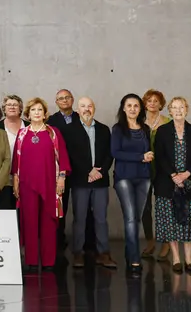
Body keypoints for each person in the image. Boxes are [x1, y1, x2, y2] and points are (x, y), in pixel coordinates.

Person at [11, 97, 71, 271]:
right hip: (26, 184)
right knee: (29, 221)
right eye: (33, 110)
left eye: (40, 110)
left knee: (48, 223)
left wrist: (61, 178)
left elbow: (63, 158)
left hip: (49, 184)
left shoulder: (53, 133)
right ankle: (30, 260)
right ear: (28, 114)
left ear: (45, 114)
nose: (36, 113)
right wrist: (15, 181)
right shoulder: (22, 134)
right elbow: (16, 161)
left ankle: (48, 261)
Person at [154, 97, 191, 274]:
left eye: (182, 107)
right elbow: (160, 156)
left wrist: (186, 174)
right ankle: (176, 259)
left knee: (190, 222)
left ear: (187, 109)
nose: (178, 111)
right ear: (169, 111)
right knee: (170, 221)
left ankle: (189, 259)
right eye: (175, 108)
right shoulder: (162, 131)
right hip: (167, 183)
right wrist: (173, 175)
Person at [63, 97, 117, 269]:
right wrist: (88, 170)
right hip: (80, 181)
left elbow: (110, 153)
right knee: (80, 218)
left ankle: (103, 253)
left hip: (100, 181)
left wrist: (99, 172)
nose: (87, 109)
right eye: (83, 106)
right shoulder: (69, 130)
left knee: (101, 219)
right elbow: (70, 155)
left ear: (94, 108)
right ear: (77, 110)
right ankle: (78, 253)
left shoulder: (103, 129)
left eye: (90, 106)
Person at [111, 93, 153, 273]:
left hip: (144, 178)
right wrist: (140, 157)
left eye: (136, 106)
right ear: (123, 108)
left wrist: (149, 156)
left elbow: (148, 152)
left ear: (140, 109)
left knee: (136, 218)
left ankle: (130, 253)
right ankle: (135, 259)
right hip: (124, 178)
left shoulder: (145, 128)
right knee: (130, 218)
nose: (133, 109)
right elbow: (116, 153)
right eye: (129, 105)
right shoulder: (118, 129)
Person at [142, 88, 172, 261]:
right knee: (145, 208)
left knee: (163, 208)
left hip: (163, 171)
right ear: (145, 104)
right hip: (144, 171)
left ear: (161, 104)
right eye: (149, 101)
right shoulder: (139, 121)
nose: (152, 104)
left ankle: (166, 243)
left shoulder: (168, 122)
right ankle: (150, 241)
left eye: (156, 101)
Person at [47, 89, 78, 254]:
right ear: (56, 102)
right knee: (61, 207)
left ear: (72, 99)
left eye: (67, 97)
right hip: (60, 172)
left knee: (81, 209)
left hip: (80, 171)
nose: (64, 100)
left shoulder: (81, 118)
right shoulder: (51, 121)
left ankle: (82, 245)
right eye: (61, 98)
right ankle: (59, 240)